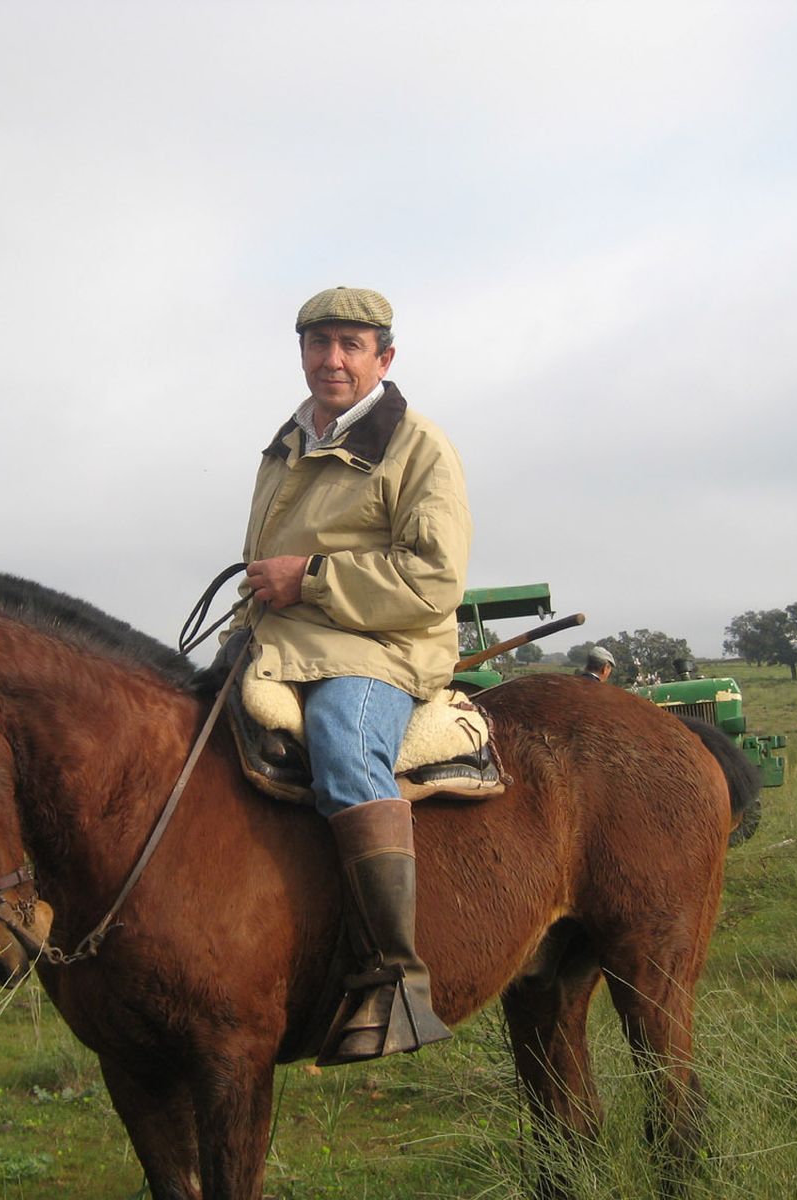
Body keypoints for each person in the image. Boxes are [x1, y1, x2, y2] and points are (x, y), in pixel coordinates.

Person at [234, 285, 471, 1065]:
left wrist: (309, 579)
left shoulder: (419, 447)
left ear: (384, 358)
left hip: (380, 643)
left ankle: (396, 978)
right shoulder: (286, 443)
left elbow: (434, 579)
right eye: (318, 343)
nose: (331, 359)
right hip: (283, 637)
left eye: (350, 345)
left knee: (343, 739)